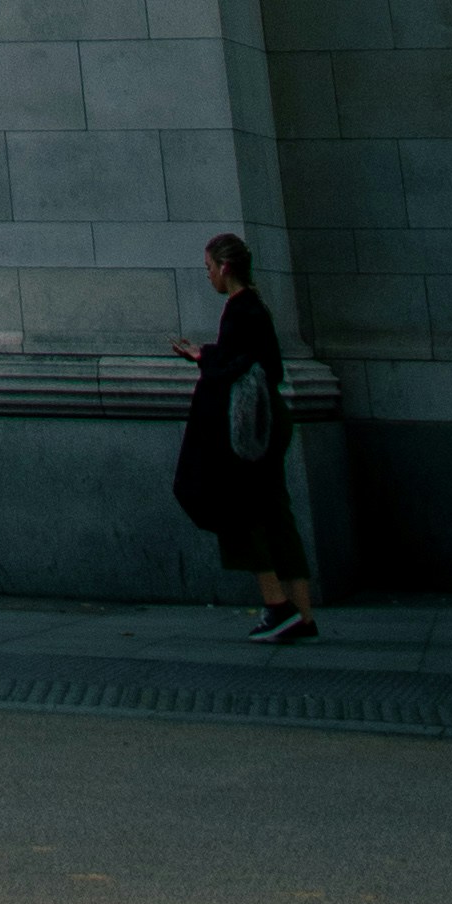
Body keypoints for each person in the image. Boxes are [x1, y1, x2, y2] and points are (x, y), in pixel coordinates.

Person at [173, 231, 316, 642]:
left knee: (237, 509)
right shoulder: (256, 307)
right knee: (275, 513)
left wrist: (205, 358)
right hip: (270, 420)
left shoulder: (240, 309)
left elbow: (237, 367)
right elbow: (258, 363)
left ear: (225, 268)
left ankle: (276, 604)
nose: (208, 277)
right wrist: (207, 355)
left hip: (249, 428)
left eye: (209, 269)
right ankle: (302, 615)